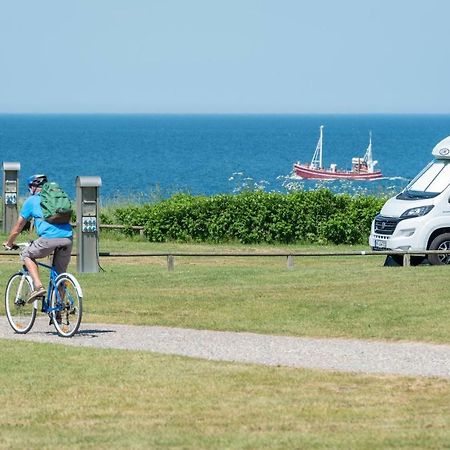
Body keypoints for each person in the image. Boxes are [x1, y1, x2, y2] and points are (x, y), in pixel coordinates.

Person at [3, 174, 73, 303]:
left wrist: (9, 243)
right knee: (60, 275)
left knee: (27, 255)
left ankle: (38, 287)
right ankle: (58, 312)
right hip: (67, 238)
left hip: (48, 239)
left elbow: (18, 227)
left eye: (30, 187)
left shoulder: (32, 201)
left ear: (33, 187)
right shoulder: (54, 199)